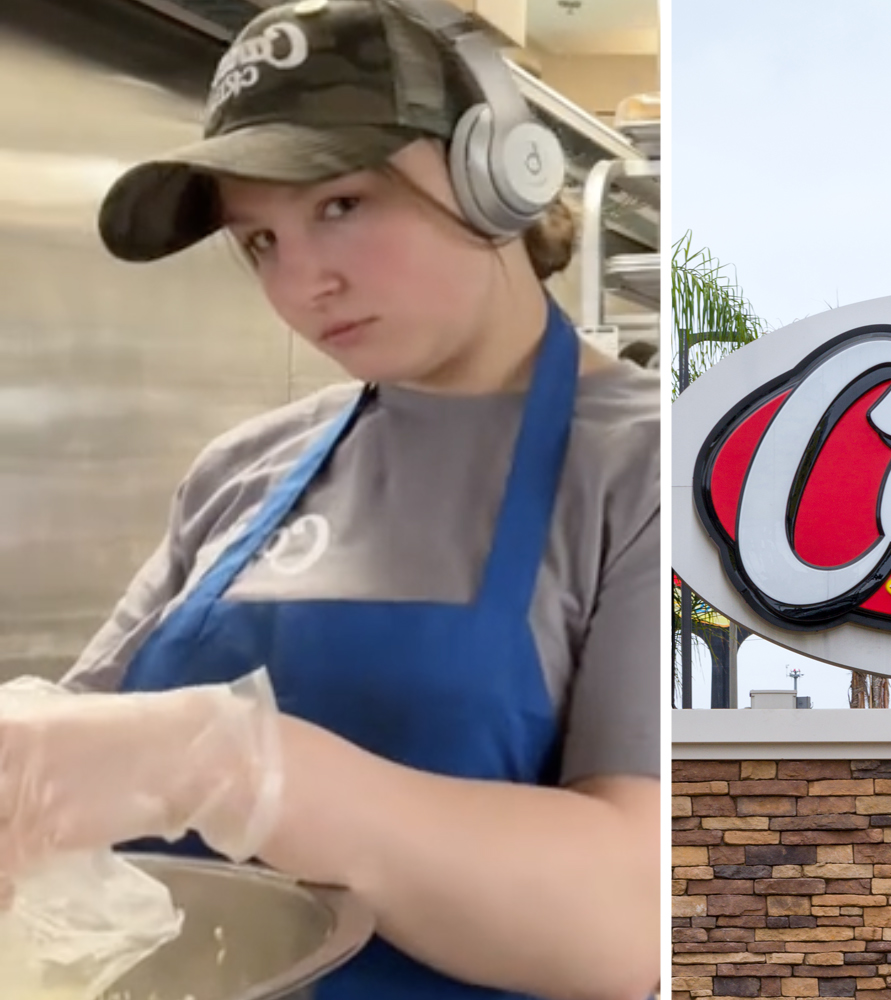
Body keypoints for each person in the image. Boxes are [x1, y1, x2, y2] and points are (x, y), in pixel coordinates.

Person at [0, 1, 661, 998]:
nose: (303, 279)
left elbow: (641, 920)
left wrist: (239, 766)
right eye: (259, 239)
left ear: (498, 170)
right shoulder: (242, 470)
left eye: (341, 204)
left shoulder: (665, 465)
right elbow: (59, 752)